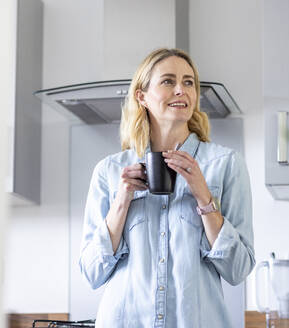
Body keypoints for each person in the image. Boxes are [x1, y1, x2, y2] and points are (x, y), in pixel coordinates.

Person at [79, 48, 255, 328]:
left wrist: (204, 197)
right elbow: (92, 272)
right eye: (168, 81)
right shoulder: (109, 171)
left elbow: (239, 269)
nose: (181, 90)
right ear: (142, 96)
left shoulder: (225, 165)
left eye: (188, 82)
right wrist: (122, 203)